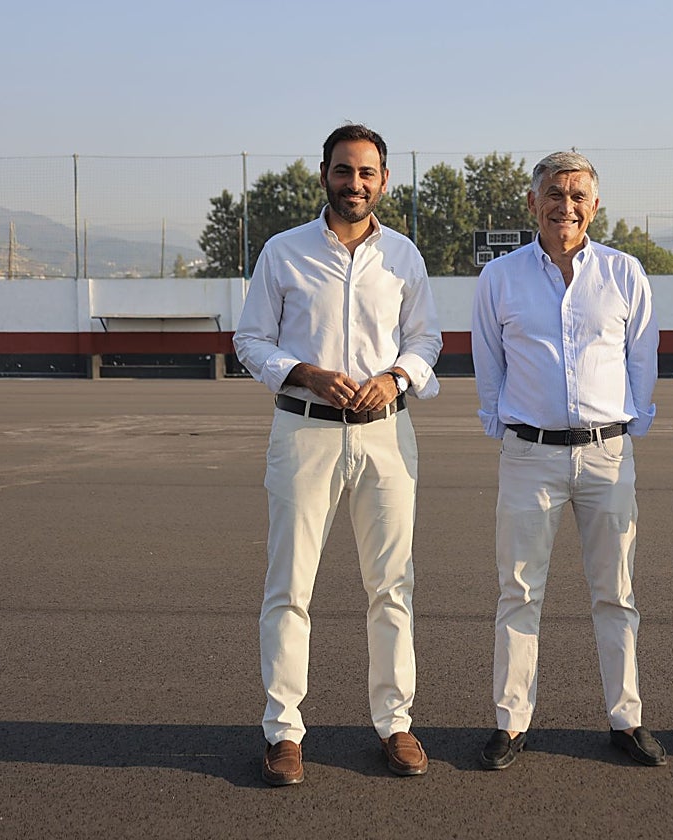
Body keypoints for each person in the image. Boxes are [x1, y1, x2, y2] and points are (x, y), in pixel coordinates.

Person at [233, 123, 442, 785]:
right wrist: (305, 372)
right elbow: (250, 340)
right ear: (323, 173)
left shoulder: (403, 256)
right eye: (344, 171)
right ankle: (283, 731)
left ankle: (396, 724)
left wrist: (396, 377)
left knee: (392, 588)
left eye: (368, 173)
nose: (356, 184)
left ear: (384, 180)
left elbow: (426, 340)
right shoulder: (284, 251)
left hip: (386, 436)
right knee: (290, 587)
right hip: (304, 430)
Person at [471, 151, 665, 769]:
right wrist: (506, 427)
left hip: (608, 456)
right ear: (533, 203)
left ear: (595, 205)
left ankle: (626, 719)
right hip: (529, 454)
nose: (566, 205)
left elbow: (641, 361)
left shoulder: (625, 273)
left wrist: (627, 425)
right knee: (518, 591)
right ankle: (510, 721)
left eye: (578, 195)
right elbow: (488, 365)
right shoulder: (499, 278)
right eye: (554, 194)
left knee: (617, 592)